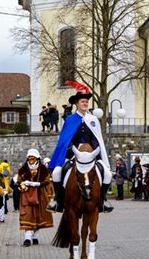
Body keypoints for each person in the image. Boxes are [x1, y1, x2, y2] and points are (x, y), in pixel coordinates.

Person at [47, 81, 113, 213]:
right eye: (82, 101)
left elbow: (96, 138)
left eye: (86, 102)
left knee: (107, 173)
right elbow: (66, 139)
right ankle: (57, 201)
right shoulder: (70, 119)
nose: (85, 103)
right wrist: (73, 149)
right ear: (77, 103)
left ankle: (103, 200)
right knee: (56, 173)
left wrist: (95, 150)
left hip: (91, 154)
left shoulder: (93, 119)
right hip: (74, 154)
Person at [17, 149, 54, 246]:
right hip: (26, 195)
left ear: (37, 158)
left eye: (32, 157)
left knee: (39, 215)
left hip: (40, 194)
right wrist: (23, 184)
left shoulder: (43, 169)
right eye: (29, 157)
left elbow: (47, 180)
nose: (30, 158)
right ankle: (27, 238)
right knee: (27, 215)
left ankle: (35, 236)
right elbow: (19, 180)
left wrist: (37, 183)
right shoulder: (23, 169)